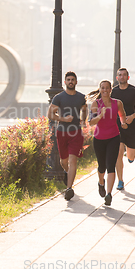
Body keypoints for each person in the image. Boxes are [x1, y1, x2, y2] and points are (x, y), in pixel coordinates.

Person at [47, 71, 88, 201]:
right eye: (68, 80)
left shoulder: (81, 97)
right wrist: (64, 119)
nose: (70, 82)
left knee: (72, 160)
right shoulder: (58, 97)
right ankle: (67, 172)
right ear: (65, 82)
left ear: (76, 82)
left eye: (73, 80)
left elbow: (85, 108)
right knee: (64, 161)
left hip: (76, 132)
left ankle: (69, 188)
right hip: (62, 132)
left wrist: (83, 119)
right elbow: (50, 115)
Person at [87, 80, 128, 206]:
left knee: (111, 166)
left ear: (111, 90)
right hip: (99, 139)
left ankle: (109, 194)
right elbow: (91, 122)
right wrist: (100, 115)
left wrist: (123, 122)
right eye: (102, 88)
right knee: (101, 167)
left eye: (107, 88)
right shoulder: (96, 104)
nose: (105, 90)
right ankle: (101, 183)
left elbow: (122, 115)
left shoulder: (118, 103)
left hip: (114, 137)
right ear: (100, 90)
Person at [111, 68, 135, 191]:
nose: (122, 77)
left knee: (131, 156)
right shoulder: (113, 92)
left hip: (131, 126)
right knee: (118, 153)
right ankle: (120, 181)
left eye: (124, 75)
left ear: (128, 77)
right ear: (117, 78)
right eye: (120, 75)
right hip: (117, 126)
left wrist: (132, 117)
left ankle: (131, 156)